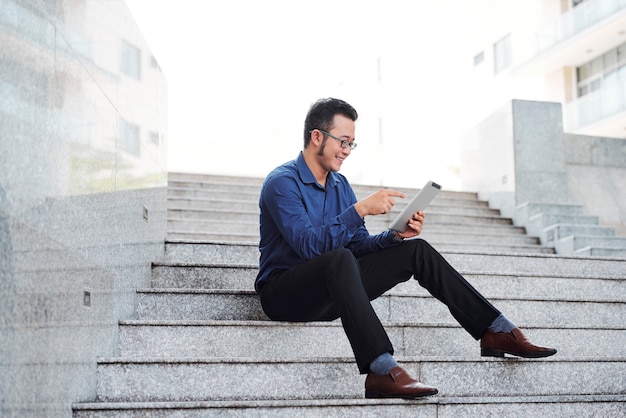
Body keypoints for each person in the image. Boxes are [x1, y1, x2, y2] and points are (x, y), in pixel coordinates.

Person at [255, 97, 556, 399]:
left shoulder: (339, 185)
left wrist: (395, 236)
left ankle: (496, 330)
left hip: (331, 292)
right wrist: (358, 210)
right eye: (343, 142)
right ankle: (382, 369)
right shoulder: (282, 183)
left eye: (352, 144)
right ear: (317, 136)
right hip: (284, 295)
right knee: (338, 259)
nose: (347, 151)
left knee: (417, 250)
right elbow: (309, 247)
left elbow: (357, 246)